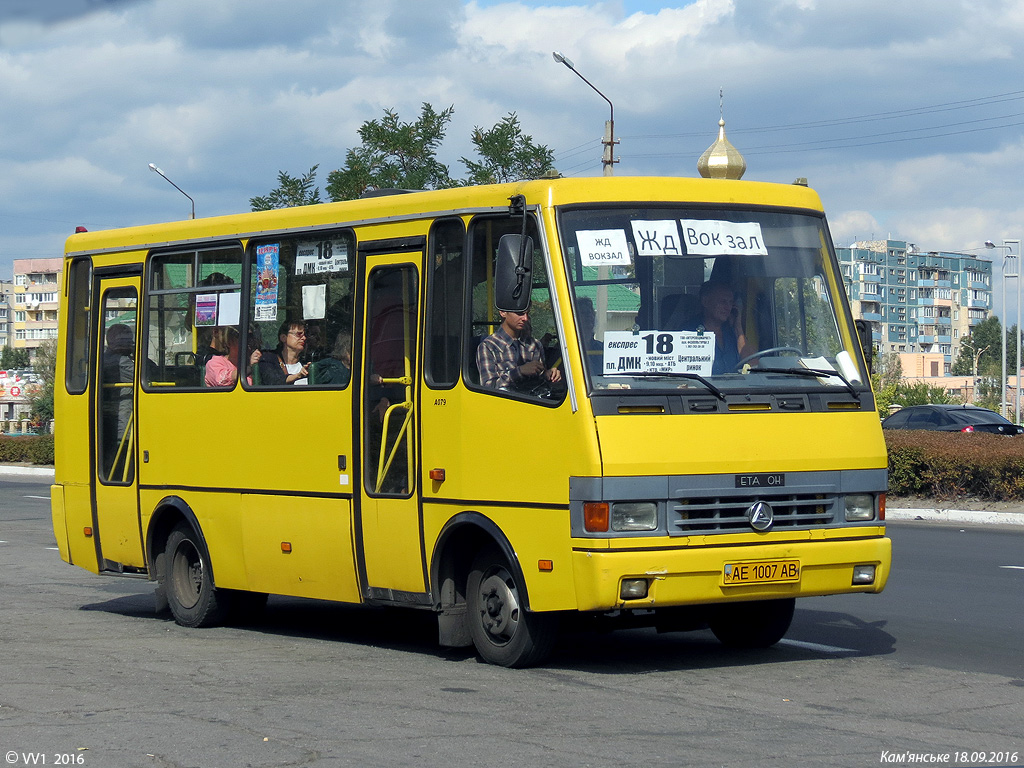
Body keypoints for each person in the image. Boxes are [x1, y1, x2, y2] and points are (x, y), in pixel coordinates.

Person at [476, 307, 562, 392]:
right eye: (520, 314)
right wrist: (518, 372)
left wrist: (549, 375)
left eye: (527, 313)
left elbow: (540, 382)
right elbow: (488, 388)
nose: (525, 318)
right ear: (503, 312)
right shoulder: (488, 346)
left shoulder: (534, 345)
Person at [686, 281, 753, 374]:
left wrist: (738, 327)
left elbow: (753, 365)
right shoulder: (688, 331)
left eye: (730, 303)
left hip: (736, 387)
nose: (728, 307)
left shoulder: (732, 333)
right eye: (723, 302)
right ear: (705, 302)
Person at [255, 320, 310, 385]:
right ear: (283, 337)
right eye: (299, 334)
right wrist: (298, 376)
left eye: (305, 335)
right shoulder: (268, 359)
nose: (304, 338)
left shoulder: (307, 362)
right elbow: (272, 380)